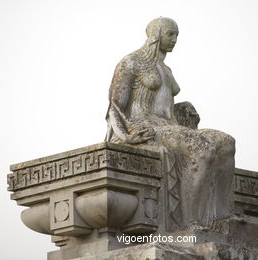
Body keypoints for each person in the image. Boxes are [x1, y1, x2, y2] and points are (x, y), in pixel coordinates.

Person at [105, 17, 235, 231]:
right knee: (202, 149)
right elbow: (115, 106)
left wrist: (183, 108)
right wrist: (128, 135)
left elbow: (164, 104)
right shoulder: (131, 62)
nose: (175, 39)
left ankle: (222, 218)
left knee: (226, 142)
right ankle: (190, 222)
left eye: (176, 35)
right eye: (170, 34)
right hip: (146, 126)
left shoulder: (166, 68)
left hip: (170, 125)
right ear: (155, 35)